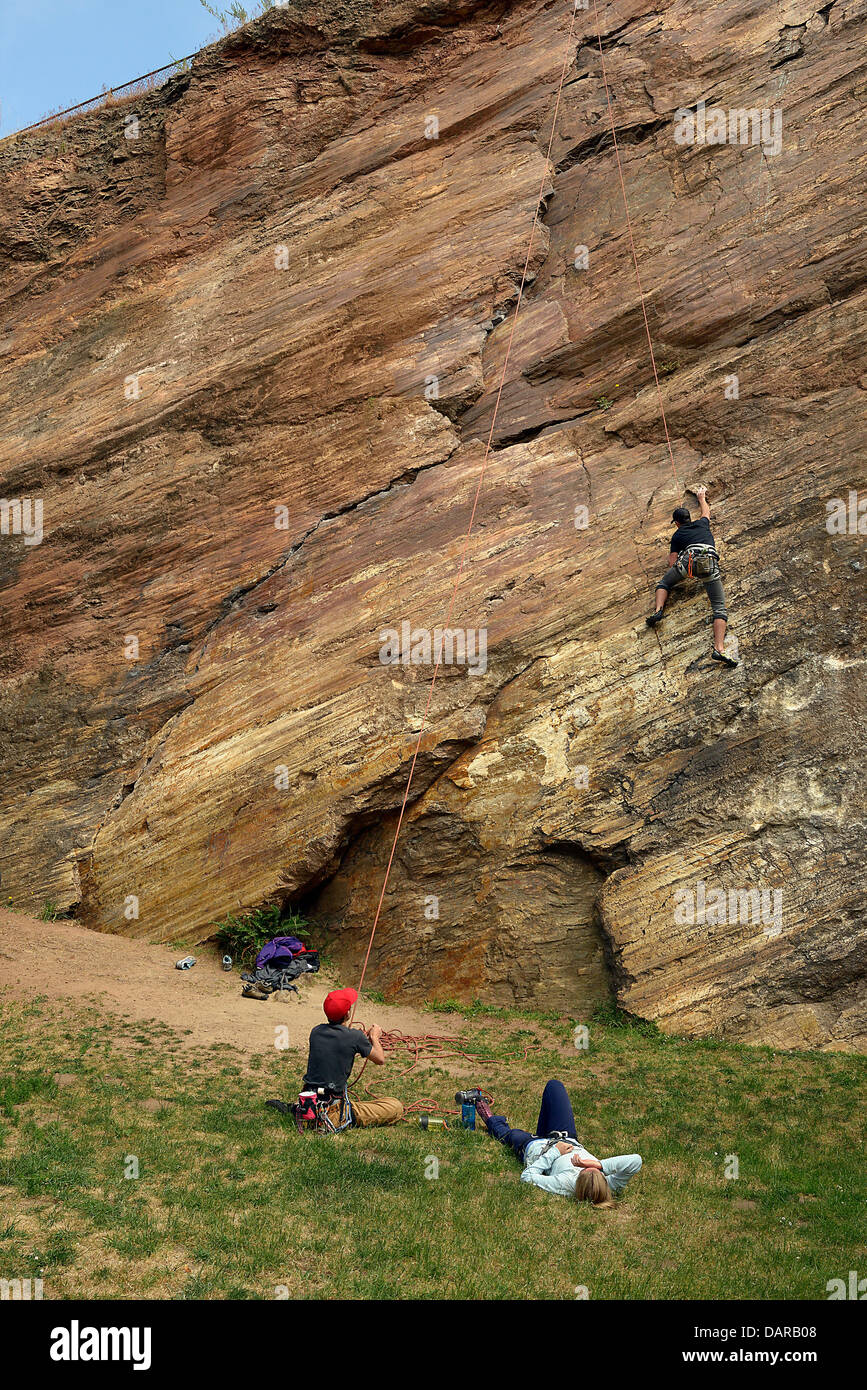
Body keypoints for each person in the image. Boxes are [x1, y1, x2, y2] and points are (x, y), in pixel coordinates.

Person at [464, 1079, 641, 1205]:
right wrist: (599, 1165)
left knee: (509, 1134)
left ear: (577, 1182)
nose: (585, 1167)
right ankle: (543, 1132)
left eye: (584, 1170)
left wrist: (555, 1152)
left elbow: (527, 1177)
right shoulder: (611, 1184)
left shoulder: (565, 1183)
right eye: (594, 1170)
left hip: (536, 1148)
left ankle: (482, 1108)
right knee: (554, 1086)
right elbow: (636, 1161)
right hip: (565, 1136)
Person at [265, 987, 403, 1127]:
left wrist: (358, 1040)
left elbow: (338, 1043)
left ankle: (298, 1109)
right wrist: (374, 1037)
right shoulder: (355, 1037)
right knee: (395, 1106)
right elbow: (380, 1059)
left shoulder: (316, 1031)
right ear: (347, 1014)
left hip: (310, 1102)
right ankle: (335, 1118)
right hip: (333, 1113)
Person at [646, 485, 738, 666]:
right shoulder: (702, 523)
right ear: (689, 518)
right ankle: (719, 649)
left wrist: (680, 566)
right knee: (719, 609)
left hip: (689, 562)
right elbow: (706, 512)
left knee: (664, 583)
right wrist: (701, 497)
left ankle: (658, 611)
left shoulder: (677, 535)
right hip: (709, 563)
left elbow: (672, 562)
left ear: (677, 523)